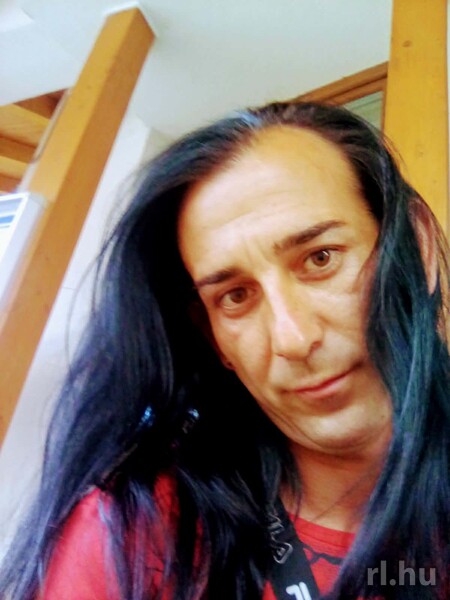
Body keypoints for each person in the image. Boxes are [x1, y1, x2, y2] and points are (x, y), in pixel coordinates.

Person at [0, 101, 448, 600]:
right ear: (215, 338)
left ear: (418, 247)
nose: (293, 339)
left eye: (321, 258)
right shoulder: (130, 538)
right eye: (235, 296)